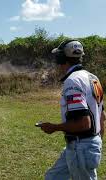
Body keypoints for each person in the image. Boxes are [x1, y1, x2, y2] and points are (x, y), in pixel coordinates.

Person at [39, 40, 105, 179]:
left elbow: (83, 123)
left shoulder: (73, 81)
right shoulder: (93, 78)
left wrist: (54, 127)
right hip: (83, 145)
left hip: (81, 146)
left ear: (62, 58)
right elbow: (102, 115)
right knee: (52, 177)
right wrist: (96, 141)